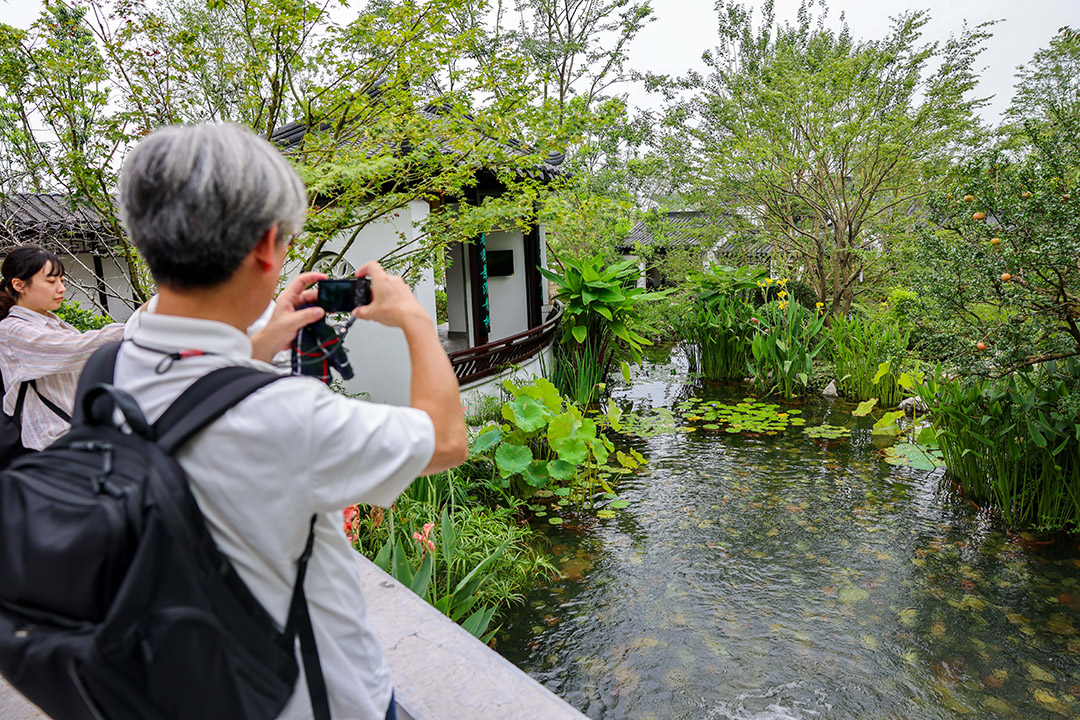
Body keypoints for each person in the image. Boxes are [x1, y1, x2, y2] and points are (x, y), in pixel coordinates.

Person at [113, 122, 467, 720]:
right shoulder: (284, 414)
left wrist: (270, 333)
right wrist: (412, 316)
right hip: (308, 699)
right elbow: (447, 440)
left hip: (187, 680)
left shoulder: (114, 362)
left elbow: (200, 391)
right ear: (265, 245)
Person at [0, 245, 125, 450]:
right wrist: (136, 326)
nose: (61, 288)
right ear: (18, 284)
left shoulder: (55, 324)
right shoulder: (11, 331)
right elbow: (75, 349)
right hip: (54, 446)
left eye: (62, 281)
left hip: (81, 437)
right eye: (51, 281)